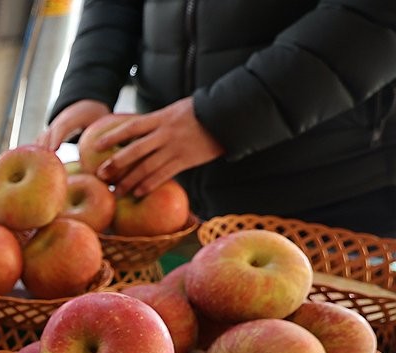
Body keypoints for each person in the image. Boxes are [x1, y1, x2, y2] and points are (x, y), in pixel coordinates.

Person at [37, 0, 396, 238]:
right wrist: (90, 82)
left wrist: (221, 119)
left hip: (334, 206)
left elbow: (375, 15)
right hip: (172, 201)